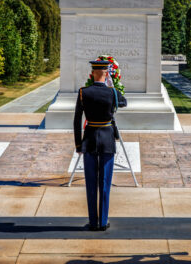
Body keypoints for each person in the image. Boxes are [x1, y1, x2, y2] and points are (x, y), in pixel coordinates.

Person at [73, 60, 127, 231]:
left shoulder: (83, 92)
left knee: (90, 183)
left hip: (89, 140)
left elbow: (76, 120)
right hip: (107, 140)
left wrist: (78, 144)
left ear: (93, 74)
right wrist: (111, 85)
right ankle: (103, 222)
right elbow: (124, 102)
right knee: (104, 181)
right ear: (106, 73)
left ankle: (93, 221)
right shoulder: (112, 93)